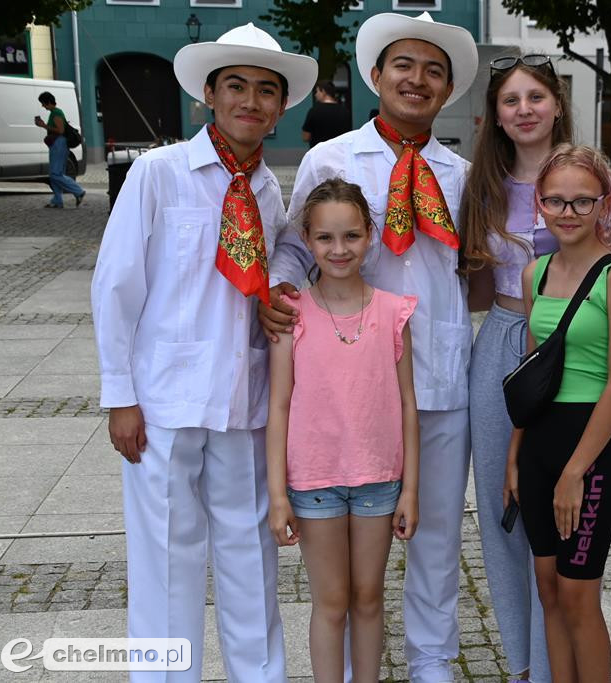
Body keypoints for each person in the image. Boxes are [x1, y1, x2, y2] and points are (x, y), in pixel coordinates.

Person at [90, 23, 317, 682]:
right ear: (209, 96)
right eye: (238, 86)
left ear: (280, 106)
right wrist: (120, 396)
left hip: (244, 403)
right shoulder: (161, 173)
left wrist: (286, 279)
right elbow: (115, 284)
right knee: (167, 562)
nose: (252, 100)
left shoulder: (269, 189)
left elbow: (290, 248)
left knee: (252, 562)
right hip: (163, 402)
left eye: (267, 90)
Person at [261, 12, 478, 682]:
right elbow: (298, 246)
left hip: (437, 371)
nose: (417, 79)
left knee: (436, 531)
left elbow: (496, 252)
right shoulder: (334, 158)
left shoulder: (462, 172)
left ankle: (431, 663)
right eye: (404, 65)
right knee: (356, 568)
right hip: (350, 384)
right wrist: (279, 292)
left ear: (447, 90)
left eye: (433, 70)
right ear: (377, 75)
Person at [267, 178, 420, 682]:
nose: (339, 249)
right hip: (314, 485)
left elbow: (406, 405)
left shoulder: (393, 312)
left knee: (369, 597)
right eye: (326, 238)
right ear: (308, 239)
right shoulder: (293, 316)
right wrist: (277, 495)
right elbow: (281, 406)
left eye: (351, 236)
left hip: (379, 481)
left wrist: (410, 491)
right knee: (331, 602)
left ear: (370, 235)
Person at [504, 144, 611, 683]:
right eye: (556, 201)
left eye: (582, 202)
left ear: (604, 204)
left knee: (579, 594)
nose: (567, 212)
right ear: (539, 204)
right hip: (539, 443)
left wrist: (573, 472)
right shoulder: (533, 274)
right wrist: (516, 456)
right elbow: (530, 375)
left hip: (591, 449)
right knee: (549, 592)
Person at [460, 52, 571, 683]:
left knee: (558, 508)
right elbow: (471, 283)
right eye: (511, 100)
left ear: (556, 103)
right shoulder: (481, 185)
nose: (524, 110)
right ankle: (524, 662)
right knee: (503, 508)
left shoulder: (589, 177)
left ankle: (563, 654)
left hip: (568, 346)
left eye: (535, 97)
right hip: (500, 339)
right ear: (495, 116)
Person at [34, 91, 85, 209]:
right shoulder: (54, 113)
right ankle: (57, 200)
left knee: (56, 174)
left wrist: (43, 125)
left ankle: (78, 191)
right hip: (58, 145)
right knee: (55, 174)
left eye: (43, 103)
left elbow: (60, 130)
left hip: (59, 144)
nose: (42, 106)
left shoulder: (56, 113)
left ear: (48, 102)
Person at [302, 78, 351, 147]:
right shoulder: (344, 111)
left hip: (319, 154)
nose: (315, 95)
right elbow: (348, 135)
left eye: (317, 91)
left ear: (323, 92)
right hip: (339, 153)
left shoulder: (314, 111)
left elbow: (305, 137)